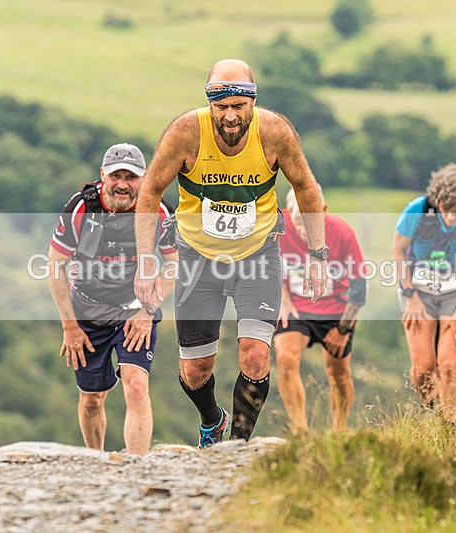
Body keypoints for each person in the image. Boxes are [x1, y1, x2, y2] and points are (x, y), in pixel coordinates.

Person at [133, 58, 328, 448]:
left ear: (253, 102)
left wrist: (317, 255)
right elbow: (150, 191)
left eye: (239, 106)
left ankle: (233, 446)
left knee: (255, 356)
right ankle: (213, 420)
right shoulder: (186, 132)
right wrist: (146, 260)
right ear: (209, 104)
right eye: (221, 107)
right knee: (194, 370)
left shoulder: (274, 132)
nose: (230, 116)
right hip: (197, 258)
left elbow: (307, 188)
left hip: (257, 255)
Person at [47, 143, 178, 454]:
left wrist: (147, 311)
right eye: (116, 176)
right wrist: (70, 326)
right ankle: (97, 461)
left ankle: (136, 468)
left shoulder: (159, 210)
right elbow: (55, 266)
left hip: (136, 308)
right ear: (102, 176)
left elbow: (176, 265)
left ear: (144, 179)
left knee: (136, 386)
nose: (122, 184)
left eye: (130, 177)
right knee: (92, 400)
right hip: (87, 311)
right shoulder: (82, 208)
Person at [391, 163, 456, 422]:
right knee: (423, 369)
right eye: (446, 210)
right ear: (437, 200)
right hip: (418, 291)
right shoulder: (417, 210)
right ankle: (436, 412)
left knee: (448, 365)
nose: (451, 217)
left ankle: (447, 428)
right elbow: (398, 251)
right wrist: (410, 296)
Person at [274, 186, 367, 433]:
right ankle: (300, 430)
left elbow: (359, 287)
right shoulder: (277, 227)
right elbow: (261, 267)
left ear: (323, 211)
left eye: (310, 223)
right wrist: (282, 296)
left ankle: (339, 429)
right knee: (285, 359)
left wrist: (344, 328)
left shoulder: (343, 233)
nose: (304, 231)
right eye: (298, 223)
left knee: (338, 372)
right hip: (295, 306)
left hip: (335, 310)